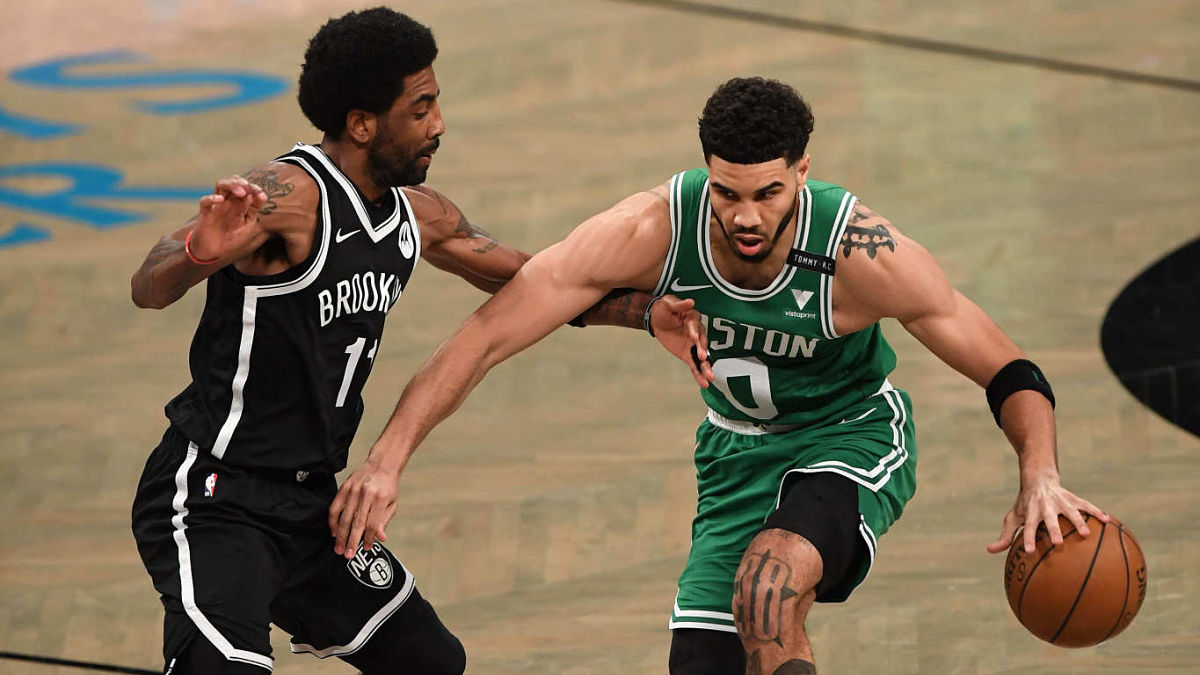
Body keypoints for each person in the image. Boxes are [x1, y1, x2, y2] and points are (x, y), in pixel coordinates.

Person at [328, 76, 1109, 675]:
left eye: (768, 193)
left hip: (850, 437)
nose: (744, 215)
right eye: (727, 192)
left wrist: (1039, 473)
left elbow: (1007, 366)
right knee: (712, 652)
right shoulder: (652, 228)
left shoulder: (861, 254)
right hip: (734, 455)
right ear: (706, 171)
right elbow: (489, 334)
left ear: (803, 170)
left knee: (770, 586)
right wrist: (388, 458)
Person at [127, 8, 691, 674]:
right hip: (215, 496)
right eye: (420, 109)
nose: (438, 125)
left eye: (437, 103)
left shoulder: (419, 216)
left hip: (313, 505)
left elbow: (539, 282)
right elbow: (150, 284)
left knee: (430, 660)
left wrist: (646, 312)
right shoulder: (290, 198)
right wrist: (199, 250)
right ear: (364, 124)